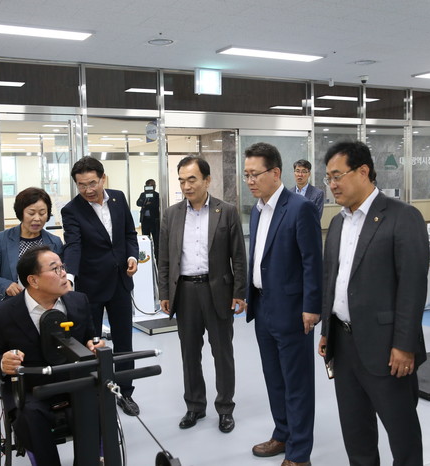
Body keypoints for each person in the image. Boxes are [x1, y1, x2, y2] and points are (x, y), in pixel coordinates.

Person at [317, 141, 429, 466]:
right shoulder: (338, 222)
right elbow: (332, 279)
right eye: (328, 178)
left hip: (387, 348)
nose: (332, 184)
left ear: (363, 171)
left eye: (337, 176)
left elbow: (412, 287)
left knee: (402, 434)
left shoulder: (402, 216)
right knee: (356, 432)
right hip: (343, 343)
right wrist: (327, 330)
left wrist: (404, 345)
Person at [0, 246, 104, 466]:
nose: (64, 273)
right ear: (33, 280)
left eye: (63, 267)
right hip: (29, 388)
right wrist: (2, 362)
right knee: (30, 417)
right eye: (55, 269)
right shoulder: (3, 314)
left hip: (74, 382)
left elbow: (90, 338)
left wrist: (94, 346)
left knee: (97, 406)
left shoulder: (79, 301)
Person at [244, 143, 322, 466]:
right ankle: (283, 432)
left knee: (297, 382)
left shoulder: (299, 208)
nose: (250, 181)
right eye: (246, 175)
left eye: (255, 174)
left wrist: (312, 306)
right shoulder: (256, 211)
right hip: (262, 306)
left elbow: (312, 261)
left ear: (275, 173)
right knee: (274, 377)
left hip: (293, 310)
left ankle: (299, 453)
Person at [158, 156, 247, 433]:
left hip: (217, 291)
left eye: (192, 179)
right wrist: (165, 292)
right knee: (189, 353)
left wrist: (239, 292)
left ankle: (225, 408)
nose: (186, 186)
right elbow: (164, 258)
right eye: (182, 180)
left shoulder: (226, 211)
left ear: (207, 180)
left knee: (222, 352)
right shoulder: (171, 214)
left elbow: (238, 257)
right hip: (184, 292)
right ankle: (195, 406)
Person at [61, 156, 140, 416]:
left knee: (124, 342)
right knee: (92, 344)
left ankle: (125, 393)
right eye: (81, 185)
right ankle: (96, 395)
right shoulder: (71, 210)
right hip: (90, 288)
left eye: (92, 183)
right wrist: (69, 277)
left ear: (103, 178)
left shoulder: (118, 198)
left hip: (120, 284)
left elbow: (129, 234)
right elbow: (73, 245)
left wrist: (132, 256)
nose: (88, 190)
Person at [0, 187, 63, 305]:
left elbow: (60, 274)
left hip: (46, 304)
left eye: (42, 213)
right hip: (12, 303)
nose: (37, 218)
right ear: (21, 213)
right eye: (31, 213)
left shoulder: (55, 242)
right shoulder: (1, 239)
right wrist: (6, 285)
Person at [136, 179, 160, 258]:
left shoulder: (156, 195)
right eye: (149, 186)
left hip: (154, 221)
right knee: (145, 239)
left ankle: (156, 257)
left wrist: (146, 204)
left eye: (153, 185)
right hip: (145, 220)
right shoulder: (143, 195)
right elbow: (138, 203)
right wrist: (144, 202)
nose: (152, 187)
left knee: (156, 240)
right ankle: (146, 257)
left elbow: (156, 205)